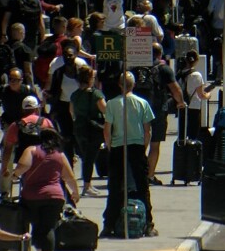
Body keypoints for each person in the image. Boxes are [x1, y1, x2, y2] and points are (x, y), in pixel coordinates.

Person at [101, 71, 158, 238]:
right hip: (136, 146)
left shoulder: (111, 104)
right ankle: (148, 223)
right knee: (142, 186)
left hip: (119, 146)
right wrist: (144, 147)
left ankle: (109, 224)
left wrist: (111, 147)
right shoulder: (142, 103)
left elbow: (107, 130)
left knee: (115, 186)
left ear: (119, 85)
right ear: (134, 85)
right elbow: (148, 130)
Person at [13, 128, 77, 251]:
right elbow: (68, 177)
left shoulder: (31, 150)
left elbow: (23, 166)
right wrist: (75, 193)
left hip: (32, 196)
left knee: (36, 225)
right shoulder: (59, 155)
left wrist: (14, 175)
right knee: (48, 228)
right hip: (55, 196)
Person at [136, 43, 185, 186]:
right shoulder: (164, 69)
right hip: (157, 109)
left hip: (139, 109)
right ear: (160, 54)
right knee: (155, 144)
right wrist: (180, 103)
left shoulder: (137, 68)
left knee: (139, 142)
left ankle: (137, 173)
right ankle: (150, 176)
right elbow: (175, 90)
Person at [0, 96, 55, 198]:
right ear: (37, 109)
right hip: (44, 159)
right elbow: (54, 142)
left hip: (23, 161)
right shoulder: (46, 122)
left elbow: (7, 149)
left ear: (23, 110)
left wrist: (5, 167)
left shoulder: (15, 126)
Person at [46, 43, 87, 163]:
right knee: (66, 138)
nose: (67, 58)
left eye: (70, 55)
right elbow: (54, 91)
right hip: (63, 107)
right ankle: (69, 164)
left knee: (80, 137)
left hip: (80, 108)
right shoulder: (59, 72)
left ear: (75, 55)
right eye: (65, 55)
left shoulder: (81, 71)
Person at [70, 66, 106, 197]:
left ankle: (88, 183)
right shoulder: (96, 94)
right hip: (94, 128)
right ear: (90, 79)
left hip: (79, 128)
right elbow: (105, 110)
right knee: (90, 157)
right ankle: (86, 185)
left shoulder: (75, 95)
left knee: (86, 157)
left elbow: (72, 112)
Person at [177, 50, 213, 151]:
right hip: (194, 106)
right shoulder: (196, 75)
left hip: (182, 107)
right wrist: (209, 95)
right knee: (193, 134)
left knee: (183, 133)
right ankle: (192, 154)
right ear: (196, 60)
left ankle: (182, 152)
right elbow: (201, 95)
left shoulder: (180, 74)